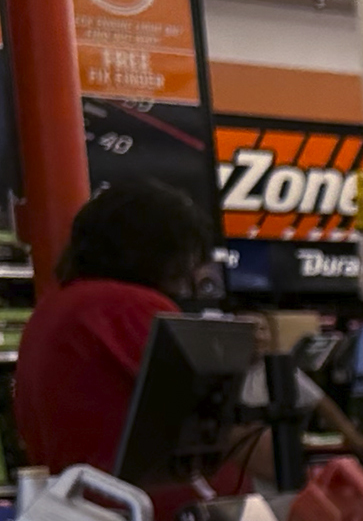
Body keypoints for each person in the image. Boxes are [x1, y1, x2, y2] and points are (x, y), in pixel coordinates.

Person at [12, 180, 220, 483]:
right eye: (184, 256)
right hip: (146, 513)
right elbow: (213, 417)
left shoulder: (55, 307)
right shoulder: (127, 306)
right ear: (156, 251)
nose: (189, 274)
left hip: (81, 507)